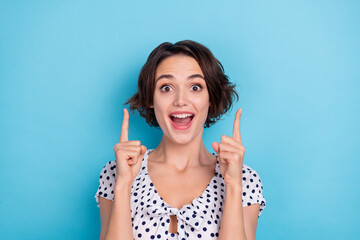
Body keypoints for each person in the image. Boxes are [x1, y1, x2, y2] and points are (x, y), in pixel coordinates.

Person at [94, 40, 266, 240]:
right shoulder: (116, 173)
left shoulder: (245, 179)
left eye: (195, 87)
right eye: (167, 88)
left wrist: (234, 185)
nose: (181, 100)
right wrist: (123, 185)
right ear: (151, 98)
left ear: (210, 98)